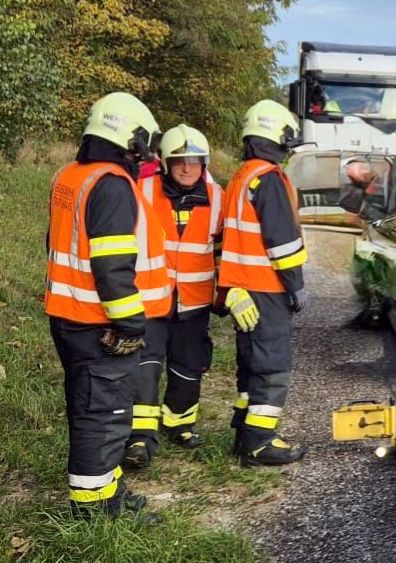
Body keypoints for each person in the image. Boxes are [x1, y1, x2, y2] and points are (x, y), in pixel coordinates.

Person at [44, 92, 170, 517]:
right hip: (101, 325)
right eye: (145, 143)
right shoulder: (113, 185)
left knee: (89, 406)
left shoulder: (72, 175)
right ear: (132, 138)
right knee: (104, 414)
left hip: (68, 316)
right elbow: (113, 266)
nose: (147, 153)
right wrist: (132, 325)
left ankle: (106, 490)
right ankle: (94, 510)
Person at [123, 124, 224, 468]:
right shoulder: (142, 188)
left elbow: (225, 246)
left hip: (194, 302)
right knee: (146, 365)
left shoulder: (218, 196)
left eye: (195, 161)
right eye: (180, 161)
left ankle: (179, 424)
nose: (187, 168)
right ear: (165, 162)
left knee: (188, 365)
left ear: (204, 163)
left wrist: (227, 291)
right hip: (150, 299)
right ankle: (139, 437)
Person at [220, 99, 309, 466]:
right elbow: (283, 243)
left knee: (252, 362)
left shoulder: (242, 177)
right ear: (279, 136)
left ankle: (245, 431)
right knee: (273, 367)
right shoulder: (269, 179)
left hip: (242, 287)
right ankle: (259, 443)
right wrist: (296, 285)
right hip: (266, 287)